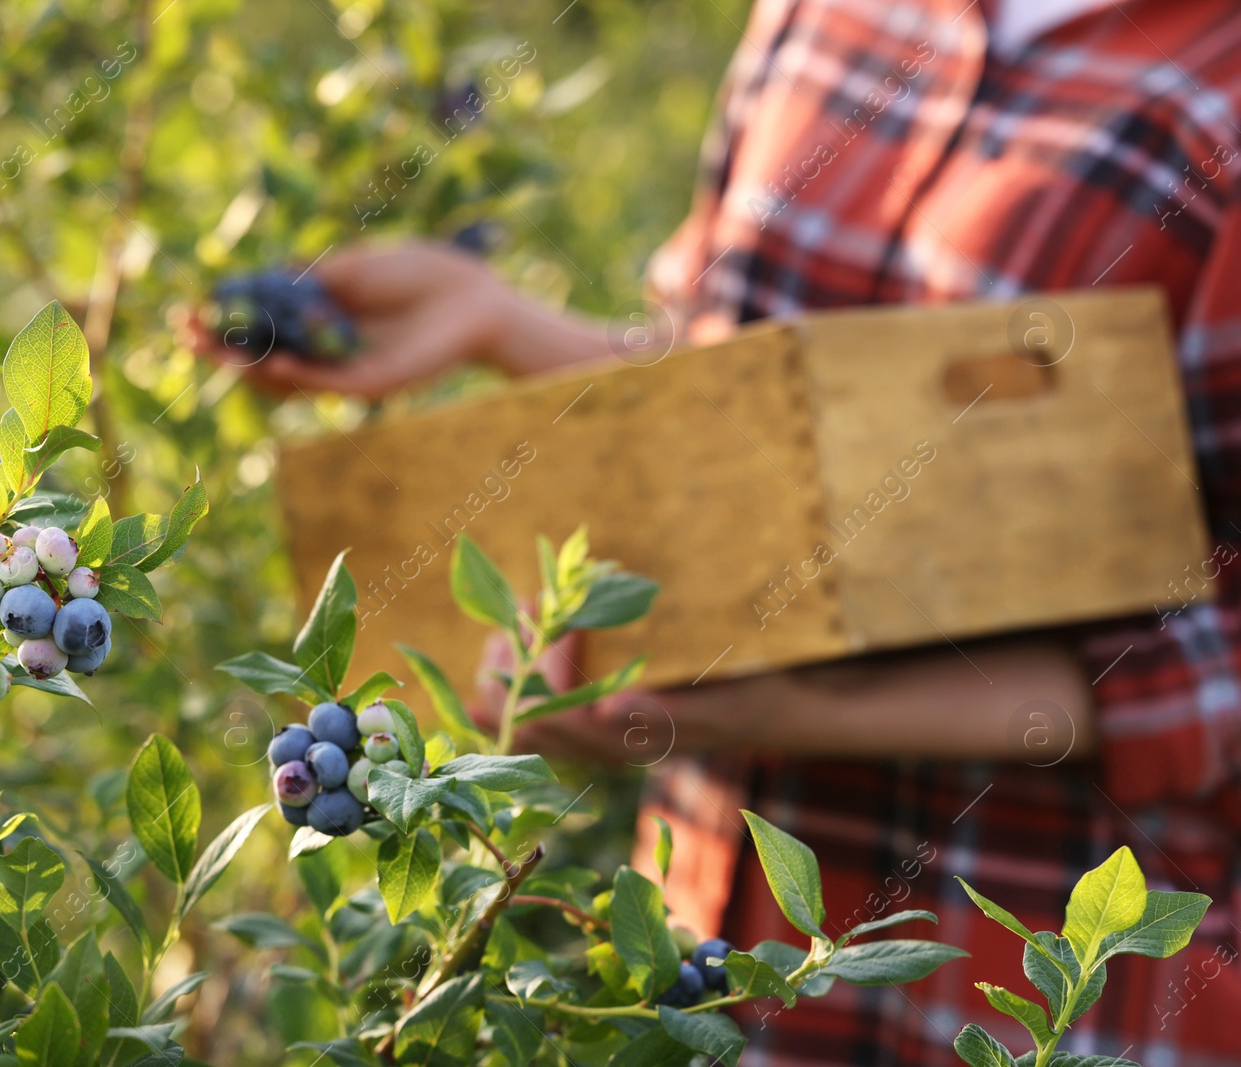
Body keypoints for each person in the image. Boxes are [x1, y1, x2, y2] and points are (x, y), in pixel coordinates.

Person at [216, 0, 1241, 1061]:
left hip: (1036, 1006)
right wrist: (493, 321)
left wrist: (809, 698)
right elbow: (729, 396)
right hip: (701, 968)